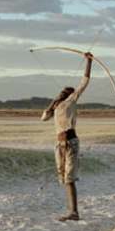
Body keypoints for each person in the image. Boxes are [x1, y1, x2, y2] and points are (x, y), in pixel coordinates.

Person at [41, 52, 93, 221]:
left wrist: (89, 62)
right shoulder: (56, 107)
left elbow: (84, 82)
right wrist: (53, 102)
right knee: (64, 177)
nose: (65, 93)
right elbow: (43, 118)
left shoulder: (71, 101)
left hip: (70, 142)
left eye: (67, 92)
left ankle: (74, 212)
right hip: (59, 145)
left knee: (69, 177)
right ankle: (72, 211)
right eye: (64, 92)